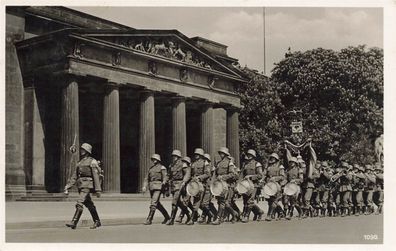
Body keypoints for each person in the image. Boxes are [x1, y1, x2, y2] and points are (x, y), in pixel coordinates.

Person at [64, 143, 102, 229]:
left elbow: (95, 176)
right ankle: (97, 221)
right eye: (81, 149)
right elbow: (75, 175)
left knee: (79, 202)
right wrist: (68, 185)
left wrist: (98, 190)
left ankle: (74, 222)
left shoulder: (92, 161)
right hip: (81, 185)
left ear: (87, 151)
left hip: (87, 185)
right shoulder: (80, 162)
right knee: (89, 204)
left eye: (83, 149)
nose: (81, 151)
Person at [211, 147, 239, 225]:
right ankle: (234, 214)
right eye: (220, 153)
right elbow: (215, 174)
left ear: (226, 154)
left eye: (222, 153)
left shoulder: (229, 163)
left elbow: (232, 174)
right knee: (221, 202)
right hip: (219, 185)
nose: (221, 154)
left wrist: (223, 177)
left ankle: (219, 218)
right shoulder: (218, 163)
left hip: (227, 185)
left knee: (223, 202)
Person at [142, 154, 170, 225]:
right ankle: (167, 217)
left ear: (158, 160)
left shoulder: (162, 167)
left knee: (153, 202)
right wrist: (144, 186)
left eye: (155, 159)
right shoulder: (151, 169)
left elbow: (165, 177)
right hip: (151, 187)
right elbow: (146, 178)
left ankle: (149, 219)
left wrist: (164, 182)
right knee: (157, 204)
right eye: (153, 159)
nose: (154, 160)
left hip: (158, 187)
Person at [186, 148, 212, 225]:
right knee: (196, 203)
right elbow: (189, 174)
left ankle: (210, 216)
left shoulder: (205, 163)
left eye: (198, 154)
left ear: (201, 155)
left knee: (203, 204)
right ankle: (192, 219)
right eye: (195, 154)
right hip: (196, 185)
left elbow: (208, 174)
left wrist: (199, 177)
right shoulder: (193, 164)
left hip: (204, 185)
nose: (196, 155)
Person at [166, 150, 191, 225]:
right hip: (173, 185)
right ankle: (189, 215)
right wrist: (166, 180)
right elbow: (168, 175)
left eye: (175, 156)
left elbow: (187, 173)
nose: (174, 157)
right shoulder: (171, 165)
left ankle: (171, 219)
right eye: (173, 156)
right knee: (179, 203)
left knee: (174, 202)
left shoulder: (183, 164)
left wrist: (184, 181)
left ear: (178, 157)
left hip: (180, 184)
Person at [240, 149, 264, 223]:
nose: (248, 156)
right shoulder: (245, 164)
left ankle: (247, 216)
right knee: (245, 201)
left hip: (254, 185)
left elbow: (260, 175)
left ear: (253, 156)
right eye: (248, 154)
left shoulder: (257, 164)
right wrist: (239, 183)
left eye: (250, 155)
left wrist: (251, 176)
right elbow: (241, 174)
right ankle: (259, 211)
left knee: (250, 201)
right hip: (246, 185)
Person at [263, 153, 285, 221]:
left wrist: (275, 178)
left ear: (276, 159)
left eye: (273, 158)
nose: (272, 159)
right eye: (271, 158)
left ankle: (269, 215)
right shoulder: (268, 167)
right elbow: (264, 175)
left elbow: (282, 177)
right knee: (270, 201)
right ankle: (281, 212)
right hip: (269, 185)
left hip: (277, 185)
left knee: (274, 200)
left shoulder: (280, 167)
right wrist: (262, 180)